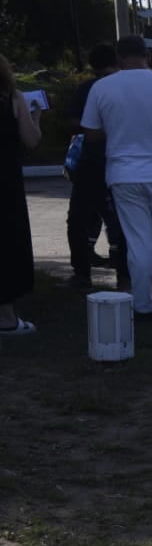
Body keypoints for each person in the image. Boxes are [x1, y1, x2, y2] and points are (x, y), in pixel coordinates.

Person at [81, 34, 152, 331]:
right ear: (147, 56)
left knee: (138, 243)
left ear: (118, 59)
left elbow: (91, 133)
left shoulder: (102, 88)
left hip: (123, 174)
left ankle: (143, 308)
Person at [65, 43, 128, 290]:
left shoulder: (87, 88)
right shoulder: (125, 87)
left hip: (91, 164)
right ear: (116, 61)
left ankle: (81, 274)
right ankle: (124, 274)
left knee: (78, 220)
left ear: (92, 65)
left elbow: (74, 123)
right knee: (120, 221)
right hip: (122, 161)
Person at [0, 54, 43, 335]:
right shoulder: (12, 99)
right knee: (7, 245)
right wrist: (36, 115)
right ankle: (6, 318)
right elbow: (32, 139)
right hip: (5, 184)